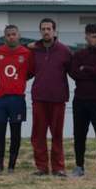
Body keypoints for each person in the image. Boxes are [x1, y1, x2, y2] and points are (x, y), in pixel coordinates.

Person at [68, 24, 96, 178]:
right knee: (79, 135)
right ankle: (79, 167)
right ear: (86, 37)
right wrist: (95, 70)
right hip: (80, 101)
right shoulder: (78, 55)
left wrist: (85, 68)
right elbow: (74, 74)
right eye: (94, 36)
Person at [29, 18, 71, 176]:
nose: (46, 31)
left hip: (58, 99)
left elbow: (72, 71)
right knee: (38, 135)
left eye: (49, 29)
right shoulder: (35, 50)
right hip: (39, 98)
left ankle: (58, 167)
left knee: (57, 135)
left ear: (54, 31)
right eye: (43, 29)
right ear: (40, 31)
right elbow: (29, 71)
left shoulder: (64, 50)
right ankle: (41, 167)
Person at [0, 24, 31, 174]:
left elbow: (31, 71)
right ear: (5, 37)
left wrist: (19, 82)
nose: (11, 37)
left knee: (16, 133)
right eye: (8, 35)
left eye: (14, 34)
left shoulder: (26, 53)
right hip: (0, 99)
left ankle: (11, 166)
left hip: (18, 99)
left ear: (18, 35)